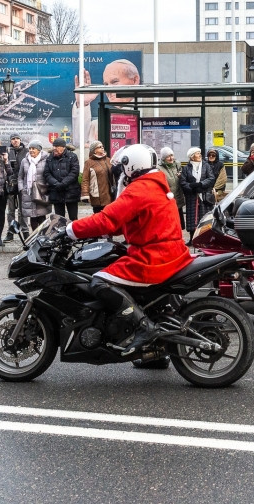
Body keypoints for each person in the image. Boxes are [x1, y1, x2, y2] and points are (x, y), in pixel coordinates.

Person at [63, 144, 193, 355]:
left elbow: (106, 219)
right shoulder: (155, 184)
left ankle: (144, 327)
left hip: (154, 257)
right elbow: (125, 220)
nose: (122, 171)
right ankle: (155, 354)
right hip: (171, 252)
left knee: (100, 280)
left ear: (130, 164)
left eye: (123, 165)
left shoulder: (139, 189)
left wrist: (71, 230)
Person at [72, 59, 141, 144]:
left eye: (114, 82)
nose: (109, 89)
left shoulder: (153, 115)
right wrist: (82, 104)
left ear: (135, 80)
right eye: (106, 85)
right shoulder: (100, 124)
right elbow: (79, 143)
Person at [179, 146, 212, 243]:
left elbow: (211, 178)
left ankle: (204, 238)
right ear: (192, 157)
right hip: (192, 196)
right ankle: (192, 238)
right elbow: (183, 182)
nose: (200, 155)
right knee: (192, 217)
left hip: (204, 195)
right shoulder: (186, 168)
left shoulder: (206, 166)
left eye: (199, 153)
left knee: (203, 216)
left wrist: (201, 184)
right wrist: (191, 187)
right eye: (197, 153)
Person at [44, 138, 81, 220]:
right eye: (54, 146)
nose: (54, 148)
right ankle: (62, 233)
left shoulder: (72, 156)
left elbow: (74, 173)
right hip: (56, 191)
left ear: (63, 147)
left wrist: (63, 183)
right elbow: (47, 173)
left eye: (57, 146)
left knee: (73, 217)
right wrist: (56, 183)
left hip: (71, 191)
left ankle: (74, 232)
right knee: (59, 219)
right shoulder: (50, 158)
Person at [19, 139, 51, 231]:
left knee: (41, 217)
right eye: (30, 148)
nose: (31, 150)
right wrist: (22, 189)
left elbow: (49, 175)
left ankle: (42, 238)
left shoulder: (46, 160)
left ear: (39, 150)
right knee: (32, 217)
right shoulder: (25, 161)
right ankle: (34, 238)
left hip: (41, 192)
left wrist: (47, 188)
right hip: (28, 192)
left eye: (34, 148)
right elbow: (20, 177)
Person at [3, 133, 28, 241]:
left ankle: (25, 231)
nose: (15, 141)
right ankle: (11, 231)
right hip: (10, 183)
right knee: (11, 210)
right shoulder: (6, 151)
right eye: (13, 139)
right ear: (10, 141)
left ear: (20, 140)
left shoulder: (26, 151)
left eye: (17, 138)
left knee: (23, 210)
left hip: (23, 183)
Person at [81, 140, 113, 213]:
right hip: (97, 195)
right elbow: (85, 179)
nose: (102, 148)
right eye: (99, 147)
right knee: (98, 217)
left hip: (110, 194)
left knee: (109, 217)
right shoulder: (89, 162)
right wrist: (85, 194)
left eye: (102, 146)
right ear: (94, 150)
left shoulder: (109, 160)